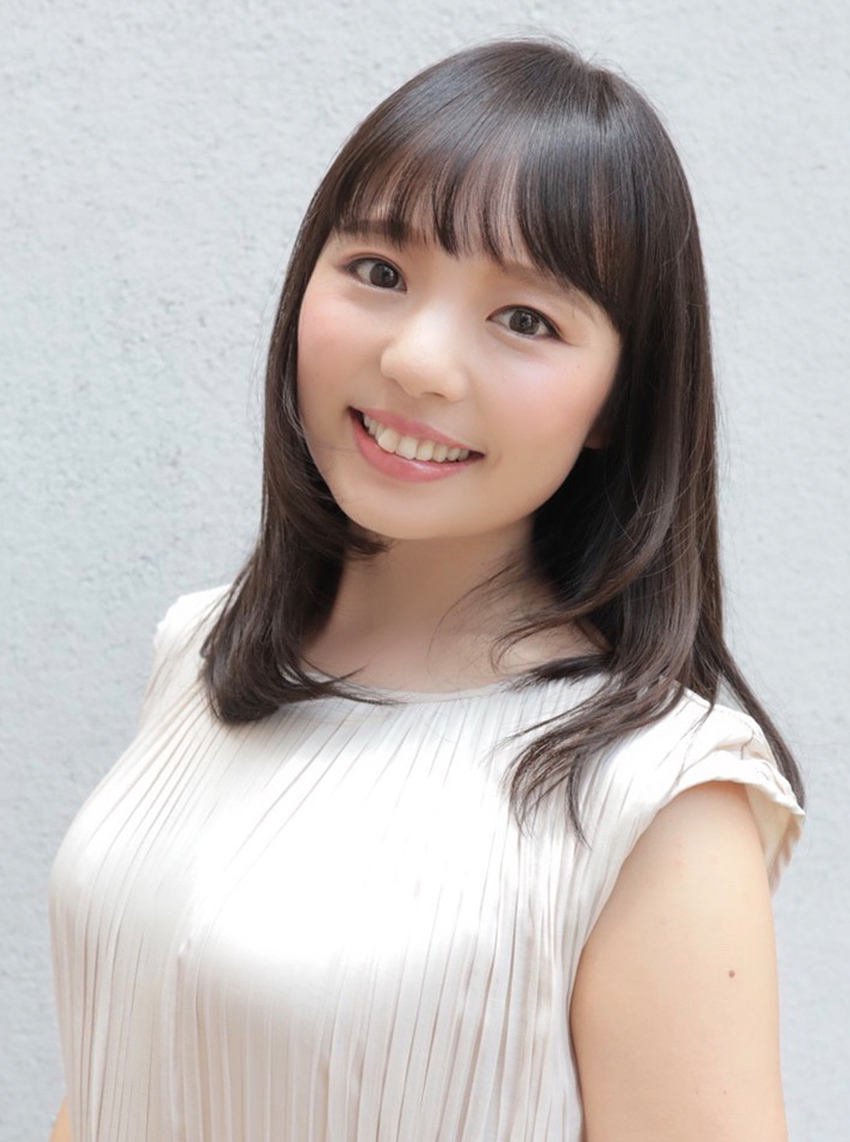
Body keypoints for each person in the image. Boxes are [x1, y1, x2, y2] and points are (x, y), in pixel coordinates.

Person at [48, 37, 805, 1142]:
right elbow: (122, 1073)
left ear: (616, 402)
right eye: (379, 271)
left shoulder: (657, 794)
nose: (417, 361)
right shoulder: (201, 652)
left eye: (526, 319)